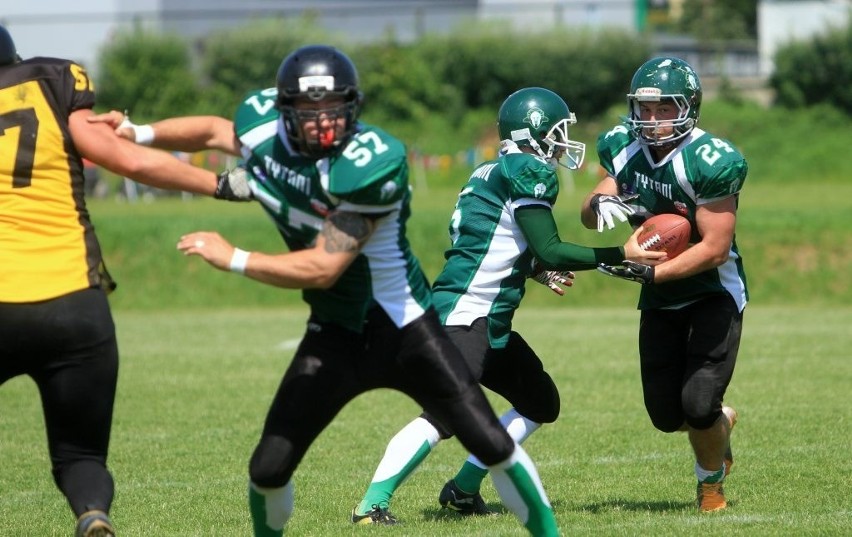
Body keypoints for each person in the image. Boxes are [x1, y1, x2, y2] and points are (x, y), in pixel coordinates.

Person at [95, 45, 562, 536]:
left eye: (333, 110)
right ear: (284, 110)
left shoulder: (372, 160)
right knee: (268, 468)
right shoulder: (261, 126)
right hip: (335, 331)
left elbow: (323, 266)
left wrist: (234, 256)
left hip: (405, 326)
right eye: (308, 111)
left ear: (352, 107)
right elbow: (213, 131)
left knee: (492, 443)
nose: (322, 123)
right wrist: (138, 131)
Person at [354, 87, 663, 521]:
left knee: (539, 401)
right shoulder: (527, 170)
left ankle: (462, 490)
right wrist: (619, 253)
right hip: (466, 315)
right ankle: (372, 506)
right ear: (535, 132)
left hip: (486, 318)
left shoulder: (489, 170)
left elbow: (494, 240)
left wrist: (533, 267)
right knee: (444, 414)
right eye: (557, 132)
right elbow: (551, 247)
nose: (562, 141)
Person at [0, 25, 250, 537]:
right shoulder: (50, 81)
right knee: (80, 455)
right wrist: (220, 184)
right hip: (73, 299)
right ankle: (92, 513)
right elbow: (126, 158)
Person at [583, 56, 747, 512]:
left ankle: (710, 487)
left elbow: (714, 247)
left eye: (664, 109)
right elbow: (598, 197)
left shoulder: (709, 159)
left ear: (688, 107)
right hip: (659, 297)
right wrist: (599, 207)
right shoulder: (622, 145)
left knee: (697, 404)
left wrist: (649, 272)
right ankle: (719, 425)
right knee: (665, 416)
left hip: (713, 291)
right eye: (645, 109)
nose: (652, 120)